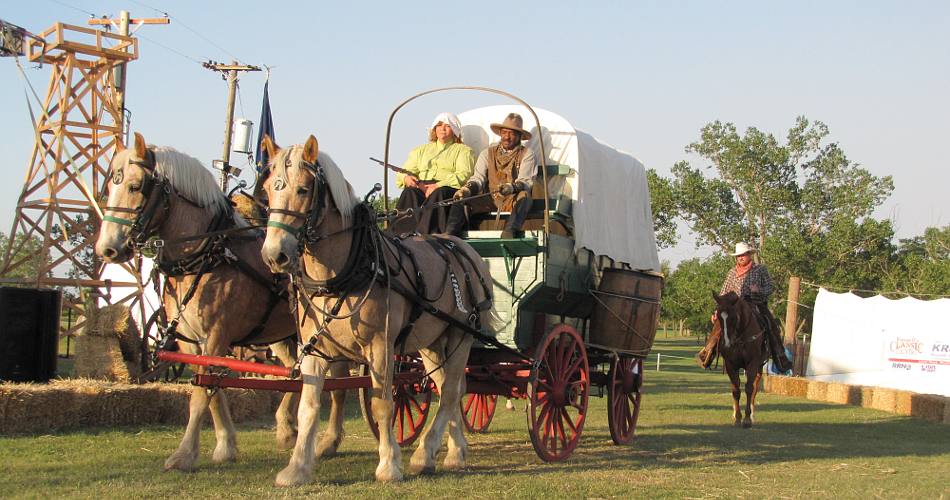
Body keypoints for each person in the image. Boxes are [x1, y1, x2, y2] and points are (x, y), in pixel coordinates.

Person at [696, 242, 793, 372]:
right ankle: (707, 353)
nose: (740, 257)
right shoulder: (732, 272)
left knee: (771, 325)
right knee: (719, 324)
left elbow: (770, 287)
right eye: (738, 256)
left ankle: (780, 357)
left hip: (756, 304)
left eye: (743, 255)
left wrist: (759, 290)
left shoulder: (760, 269)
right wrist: (717, 310)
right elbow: (723, 293)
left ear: (749, 255)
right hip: (733, 307)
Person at [445, 113, 537, 239]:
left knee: (525, 196)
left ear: (519, 136)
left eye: (512, 133)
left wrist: (511, 187)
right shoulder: (487, 153)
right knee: (461, 197)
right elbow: (478, 178)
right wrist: (467, 189)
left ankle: (510, 231)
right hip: (491, 198)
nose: (507, 137)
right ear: (500, 133)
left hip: (513, 200)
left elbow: (526, 181)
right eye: (504, 132)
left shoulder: (527, 154)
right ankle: (450, 235)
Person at [392, 112, 475, 235]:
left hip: (446, 188)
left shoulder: (463, 151)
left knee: (439, 193)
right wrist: (406, 178)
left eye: (447, 126)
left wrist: (438, 185)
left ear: (454, 130)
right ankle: (399, 235)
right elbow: (403, 171)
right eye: (439, 125)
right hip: (421, 186)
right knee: (409, 192)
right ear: (434, 129)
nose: (442, 129)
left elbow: (464, 174)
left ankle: (427, 234)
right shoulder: (420, 151)